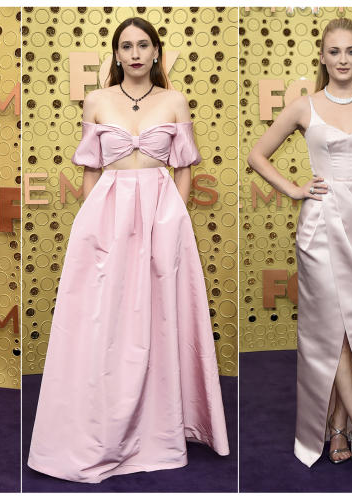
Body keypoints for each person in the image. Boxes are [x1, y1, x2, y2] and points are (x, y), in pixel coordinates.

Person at [27, 16, 230, 483]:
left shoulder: (174, 100)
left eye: (143, 45)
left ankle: (158, 427)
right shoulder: (97, 100)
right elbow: (91, 169)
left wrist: (173, 220)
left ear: (156, 53)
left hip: (162, 211)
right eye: (126, 46)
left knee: (159, 316)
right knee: (105, 317)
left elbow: (183, 168)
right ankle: (100, 422)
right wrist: (90, 223)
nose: (135, 53)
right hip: (107, 214)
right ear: (115, 55)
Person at [247, 18, 352, 480]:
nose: (343, 59)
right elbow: (257, 155)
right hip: (319, 227)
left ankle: (336, 424)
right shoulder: (305, 107)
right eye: (334, 51)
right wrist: (295, 189)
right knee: (331, 326)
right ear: (322, 56)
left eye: (351, 51)